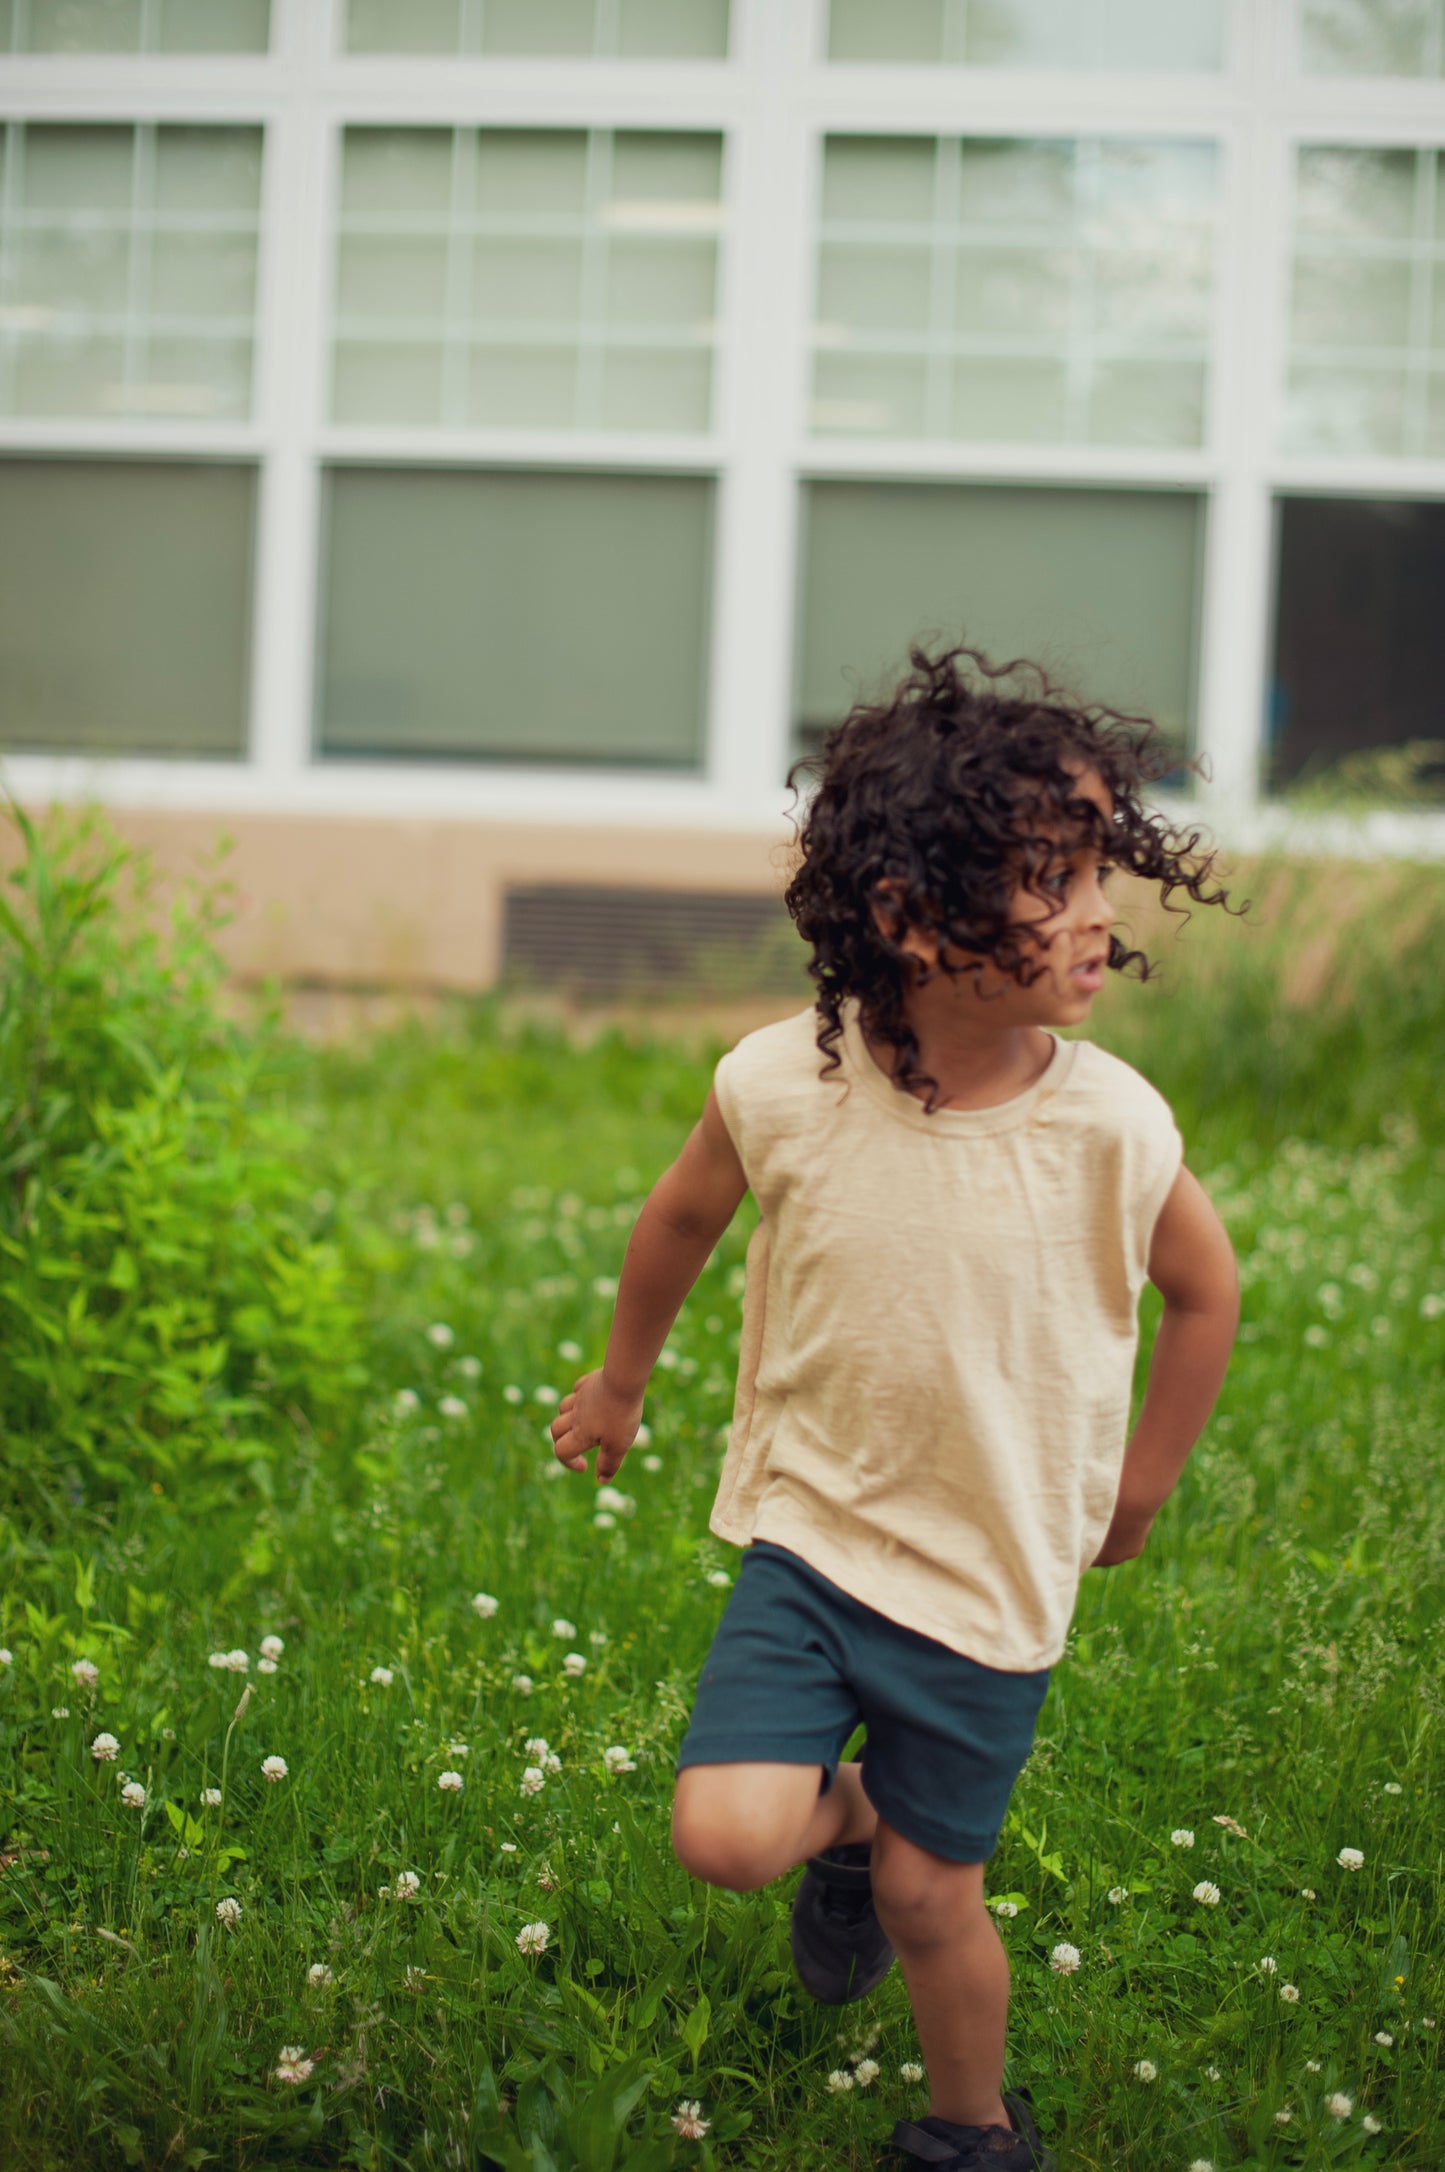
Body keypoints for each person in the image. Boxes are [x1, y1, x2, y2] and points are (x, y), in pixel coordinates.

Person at [550, 643, 1241, 2172]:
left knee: (939, 1902)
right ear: (909, 919)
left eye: (1095, 871)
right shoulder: (781, 1083)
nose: (1095, 913)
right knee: (724, 1836)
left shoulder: (1109, 1126)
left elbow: (1209, 1294)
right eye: (1048, 881)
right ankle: (839, 1824)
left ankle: (971, 2134)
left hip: (990, 1576)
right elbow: (678, 1220)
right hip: (812, 1534)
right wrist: (620, 1378)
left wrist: (1140, 1485)